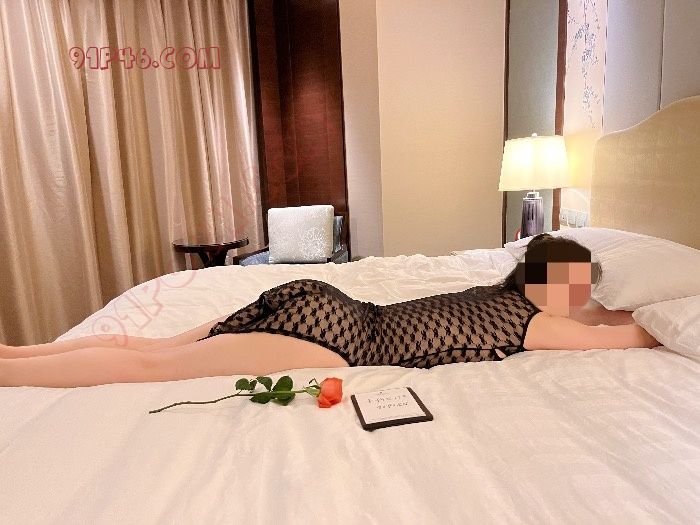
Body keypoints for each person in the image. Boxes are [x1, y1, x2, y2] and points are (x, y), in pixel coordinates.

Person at [0, 233, 659, 388]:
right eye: (574, 284)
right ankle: (10, 371)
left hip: (322, 301)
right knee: (153, 368)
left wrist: (600, 306)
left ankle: (17, 354)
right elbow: (626, 337)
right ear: (546, 280)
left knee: (155, 348)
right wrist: (656, 315)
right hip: (337, 340)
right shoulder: (535, 321)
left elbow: (594, 321)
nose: (580, 296)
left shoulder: (500, 292)